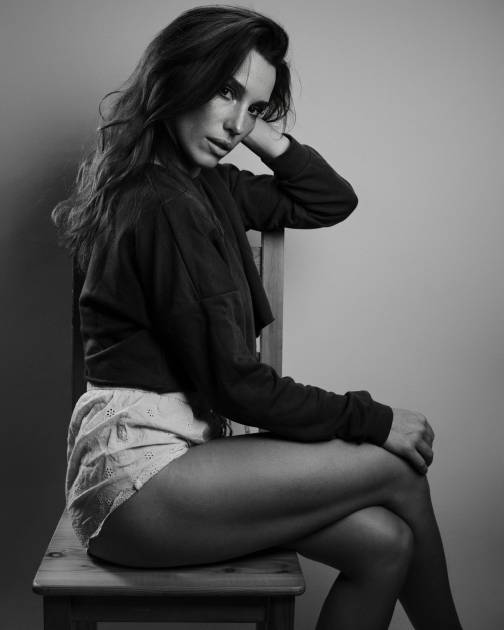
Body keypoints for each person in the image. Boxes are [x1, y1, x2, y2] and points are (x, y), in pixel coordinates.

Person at [52, 5, 463, 629]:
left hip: (181, 461)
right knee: (394, 464)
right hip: (136, 486)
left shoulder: (204, 184)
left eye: (256, 108)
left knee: (384, 544)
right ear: (178, 76)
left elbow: (330, 199)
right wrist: (375, 418)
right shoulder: (159, 203)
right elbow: (237, 387)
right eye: (225, 91)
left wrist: (256, 128)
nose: (236, 124)